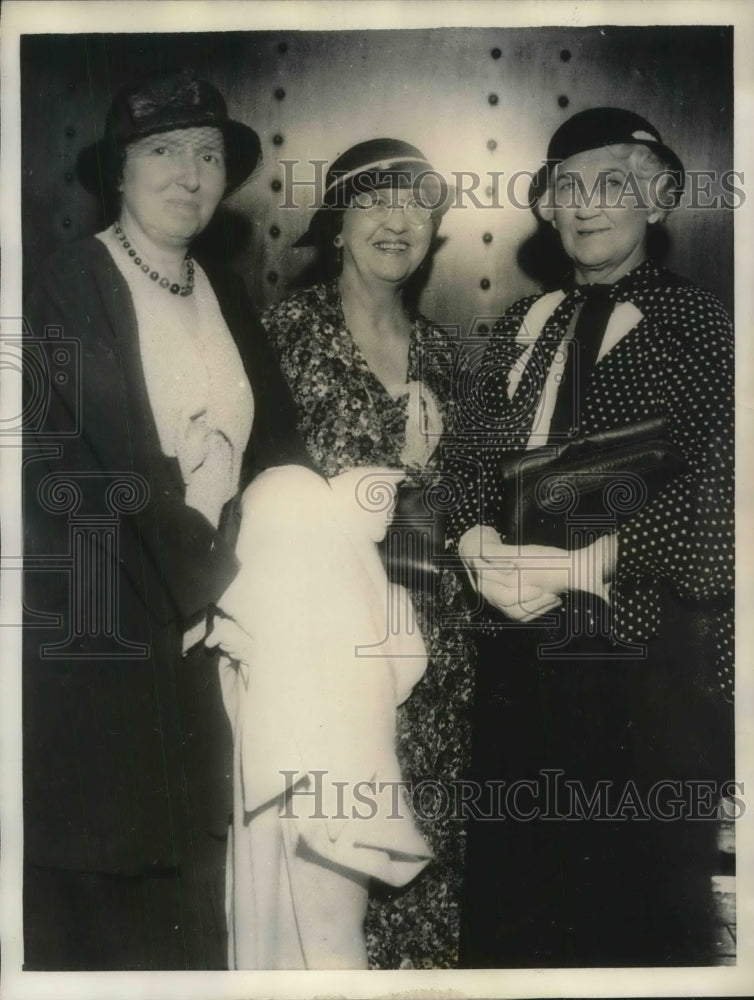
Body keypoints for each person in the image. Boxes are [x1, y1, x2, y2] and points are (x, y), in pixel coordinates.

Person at [22, 68, 312, 970]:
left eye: (207, 155)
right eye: (161, 151)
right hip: (112, 627)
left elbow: (281, 449)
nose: (188, 174)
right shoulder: (72, 282)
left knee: (193, 881)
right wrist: (222, 584)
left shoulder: (223, 291)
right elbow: (113, 463)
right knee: (108, 884)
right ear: (119, 170)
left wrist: (291, 547)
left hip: (204, 625)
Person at [449, 107, 734, 967]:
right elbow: (458, 467)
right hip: (511, 659)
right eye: (567, 185)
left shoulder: (706, 327)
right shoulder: (521, 326)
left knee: (636, 919)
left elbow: (732, 496)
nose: (587, 204)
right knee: (514, 911)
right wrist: (475, 548)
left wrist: (583, 565)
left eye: (613, 182)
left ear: (658, 196)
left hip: (641, 665)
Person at [260, 139, 475, 969]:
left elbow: (471, 512)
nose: (397, 221)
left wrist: (430, 482)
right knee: (332, 886)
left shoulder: (450, 356)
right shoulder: (284, 331)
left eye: (417, 205)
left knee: (425, 878)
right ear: (338, 225)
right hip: (327, 652)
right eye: (374, 201)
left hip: (437, 658)